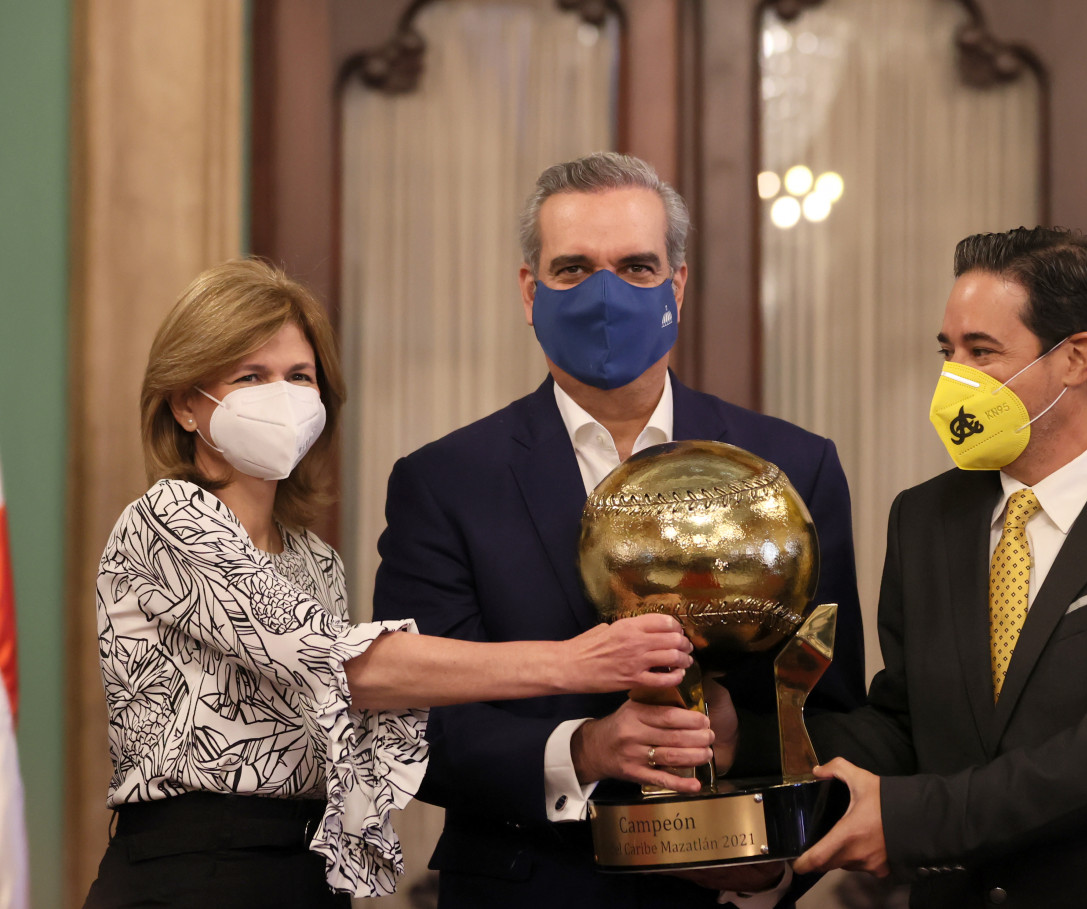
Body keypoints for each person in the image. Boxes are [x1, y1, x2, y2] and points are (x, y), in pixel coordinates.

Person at [83, 259, 694, 909]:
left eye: (299, 376)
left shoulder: (314, 557)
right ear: (185, 404)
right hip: (191, 866)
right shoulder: (169, 519)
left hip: (304, 866)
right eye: (250, 376)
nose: (282, 396)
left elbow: (373, 717)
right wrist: (575, 661)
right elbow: (348, 668)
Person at [370, 151, 868, 908]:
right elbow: (413, 728)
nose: (604, 295)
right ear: (529, 290)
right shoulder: (445, 481)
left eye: (636, 267)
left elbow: (836, 707)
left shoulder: (794, 467)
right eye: (573, 269)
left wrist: (753, 798)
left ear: (678, 284)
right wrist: (584, 748)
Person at [778, 228, 1087, 908]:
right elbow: (908, 721)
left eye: (981, 351)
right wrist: (752, 732)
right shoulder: (924, 517)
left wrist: (913, 818)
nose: (954, 376)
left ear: (1075, 358)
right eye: (948, 351)